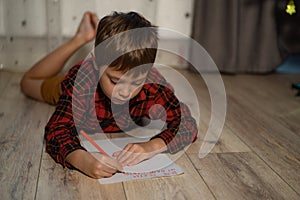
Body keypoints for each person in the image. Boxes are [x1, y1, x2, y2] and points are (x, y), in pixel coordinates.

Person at [20, 11, 198, 179]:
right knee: (27, 83)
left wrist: (152, 146)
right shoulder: (81, 81)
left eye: (136, 82)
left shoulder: (153, 85)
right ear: (97, 64)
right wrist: (82, 159)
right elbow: (57, 129)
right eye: (115, 81)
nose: (126, 91)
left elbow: (187, 123)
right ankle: (80, 38)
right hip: (65, 87)